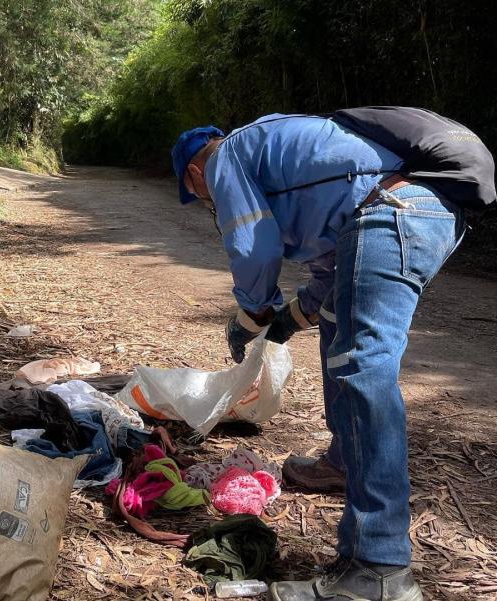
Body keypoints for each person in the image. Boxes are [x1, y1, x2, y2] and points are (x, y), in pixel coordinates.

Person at [171, 115, 467, 601]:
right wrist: (287, 320)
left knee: (364, 365)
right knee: (335, 321)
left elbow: (254, 246)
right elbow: (332, 276)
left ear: (195, 174)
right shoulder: (289, 169)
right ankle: (345, 462)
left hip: (393, 210)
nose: (206, 202)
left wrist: (251, 313)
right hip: (417, 212)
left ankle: (379, 568)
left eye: (197, 194)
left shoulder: (226, 158)